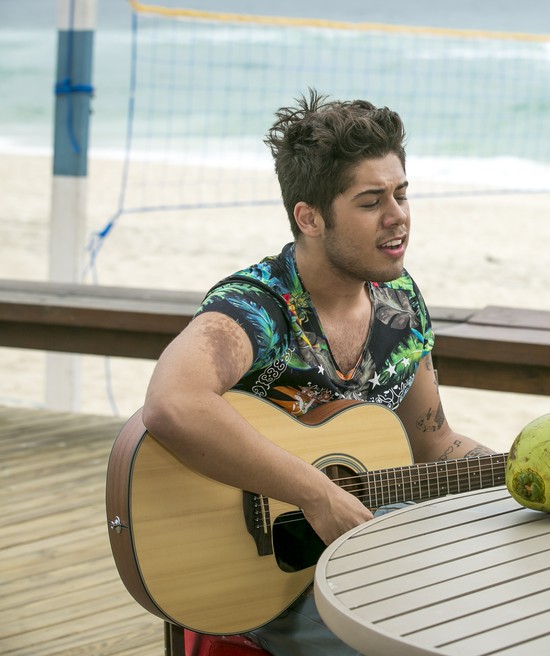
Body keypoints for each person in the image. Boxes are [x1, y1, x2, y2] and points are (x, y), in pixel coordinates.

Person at [141, 90, 494, 654]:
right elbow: (172, 403)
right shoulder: (256, 306)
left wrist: (520, 466)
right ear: (309, 217)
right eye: (370, 200)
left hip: (367, 560)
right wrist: (315, 493)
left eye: (402, 193)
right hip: (260, 574)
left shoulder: (399, 300)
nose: (397, 215)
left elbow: (434, 446)